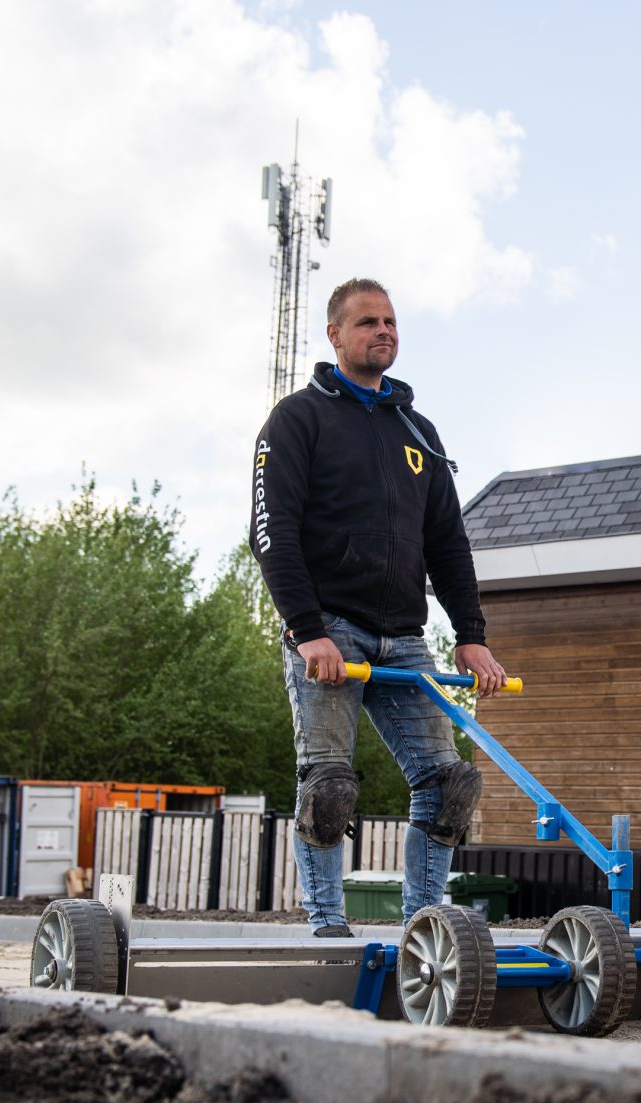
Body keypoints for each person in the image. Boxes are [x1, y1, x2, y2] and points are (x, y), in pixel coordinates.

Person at [249, 277, 507, 937]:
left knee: (450, 782)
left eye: (390, 322)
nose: (383, 332)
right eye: (368, 322)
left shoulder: (417, 431)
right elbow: (270, 528)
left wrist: (471, 635)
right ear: (336, 335)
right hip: (328, 630)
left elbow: (447, 544)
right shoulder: (298, 419)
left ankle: (426, 924)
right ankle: (328, 923)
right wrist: (308, 632)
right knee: (329, 783)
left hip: (404, 638)